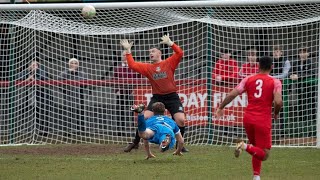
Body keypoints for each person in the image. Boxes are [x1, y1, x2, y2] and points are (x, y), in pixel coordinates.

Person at [215, 56, 283, 180]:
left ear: (258, 66)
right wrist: (276, 113)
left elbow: (232, 94)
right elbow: (278, 102)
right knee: (264, 154)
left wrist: (221, 107)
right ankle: (243, 145)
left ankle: (256, 176)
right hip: (262, 120)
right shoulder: (275, 81)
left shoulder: (248, 79)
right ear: (272, 67)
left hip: (248, 118)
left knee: (255, 147)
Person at [120, 34, 188, 152]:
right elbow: (132, 65)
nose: (150, 53)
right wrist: (128, 50)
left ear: (159, 53)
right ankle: (135, 142)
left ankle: (179, 145)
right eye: (149, 52)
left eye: (153, 51)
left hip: (172, 96)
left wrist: (171, 44)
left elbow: (180, 53)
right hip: (157, 97)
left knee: (181, 120)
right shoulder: (148, 67)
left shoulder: (169, 62)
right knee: (144, 117)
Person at [113, 51, 143, 136]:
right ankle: (120, 129)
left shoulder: (133, 67)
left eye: (126, 55)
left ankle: (132, 129)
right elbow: (113, 80)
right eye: (123, 55)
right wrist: (116, 91)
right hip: (121, 94)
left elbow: (139, 78)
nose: (125, 57)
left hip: (131, 93)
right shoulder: (117, 68)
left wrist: (136, 90)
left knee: (132, 111)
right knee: (120, 111)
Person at [289, 47, 317, 137]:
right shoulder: (295, 63)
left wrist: (299, 76)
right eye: (301, 52)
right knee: (300, 105)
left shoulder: (311, 63)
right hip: (299, 89)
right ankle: (301, 128)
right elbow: (290, 72)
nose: (302, 54)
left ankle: (312, 128)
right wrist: (291, 75)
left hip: (309, 89)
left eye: (304, 52)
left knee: (310, 105)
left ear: (308, 54)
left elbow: (312, 73)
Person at [18, 60, 49, 136]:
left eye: (35, 65)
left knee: (42, 112)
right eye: (32, 65)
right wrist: (27, 79)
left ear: (38, 66)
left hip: (41, 95)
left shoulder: (41, 71)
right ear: (29, 66)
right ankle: (24, 130)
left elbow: (44, 77)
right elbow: (18, 77)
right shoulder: (26, 71)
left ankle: (43, 130)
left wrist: (35, 78)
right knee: (28, 111)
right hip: (27, 95)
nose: (34, 66)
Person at [60, 58, 87, 135]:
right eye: (72, 63)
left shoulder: (82, 73)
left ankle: (81, 131)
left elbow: (85, 84)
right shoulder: (64, 73)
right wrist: (69, 74)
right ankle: (67, 131)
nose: (74, 64)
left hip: (79, 96)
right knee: (67, 113)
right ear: (69, 64)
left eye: (75, 63)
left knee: (80, 114)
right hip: (68, 96)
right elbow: (59, 83)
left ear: (78, 65)